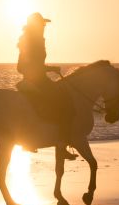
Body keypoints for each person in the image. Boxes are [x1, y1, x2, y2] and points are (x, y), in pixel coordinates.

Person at [16, 13, 77, 160]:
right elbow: (25, 66)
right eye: (42, 25)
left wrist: (49, 68)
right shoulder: (31, 41)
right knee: (65, 103)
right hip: (36, 80)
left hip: (40, 79)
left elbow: (36, 64)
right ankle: (60, 145)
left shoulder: (35, 40)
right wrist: (49, 69)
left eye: (44, 25)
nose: (44, 27)